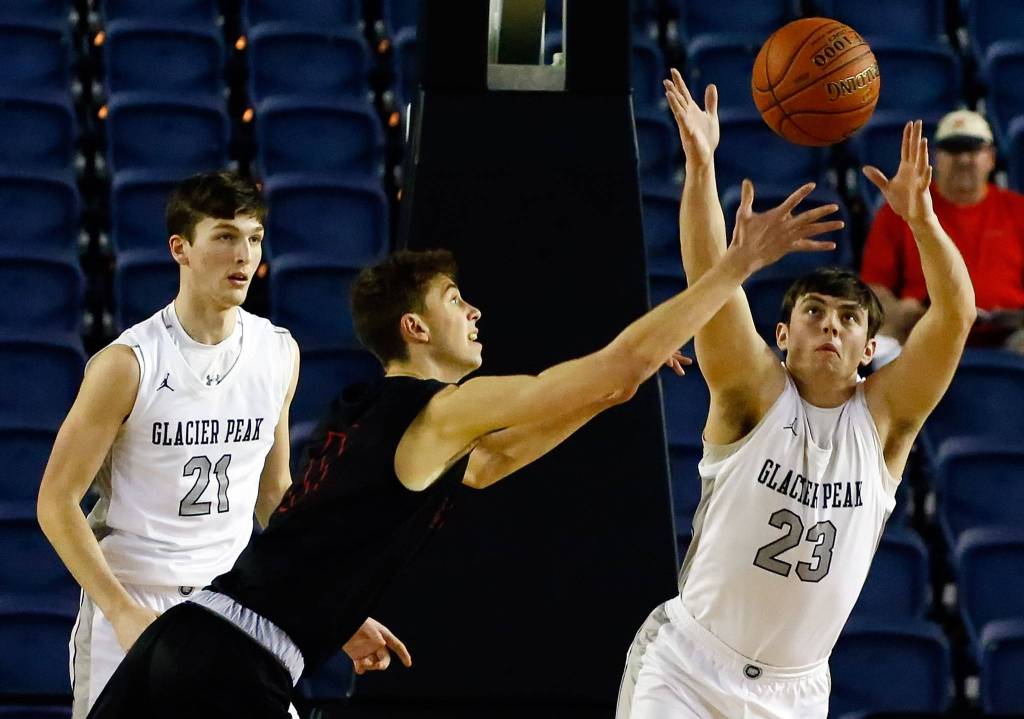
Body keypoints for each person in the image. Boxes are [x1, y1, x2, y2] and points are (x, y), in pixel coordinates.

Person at [85, 172, 843, 716]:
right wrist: (736, 266)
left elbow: (504, 455)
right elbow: (617, 364)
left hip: (196, 645)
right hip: (224, 666)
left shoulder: (377, 411)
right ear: (414, 328)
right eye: (455, 299)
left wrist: (621, 388)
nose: (474, 310)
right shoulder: (435, 410)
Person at [614, 72, 976, 719]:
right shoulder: (752, 391)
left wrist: (921, 221)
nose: (831, 324)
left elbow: (956, 315)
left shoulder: (886, 421)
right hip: (689, 667)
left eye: (848, 317)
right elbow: (710, 280)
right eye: (814, 311)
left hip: (795, 690)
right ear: (782, 334)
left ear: (871, 345)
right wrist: (701, 166)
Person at [36, 171, 403, 719]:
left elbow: (275, 494)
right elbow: (56, 503)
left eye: (254, 238)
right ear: (180, 249)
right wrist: (119, 611)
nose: (245, 255)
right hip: (137, 594)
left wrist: (333, 609)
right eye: (226, 236)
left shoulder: (277, 352)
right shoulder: (127, 364)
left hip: (233, 603)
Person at [860, 108, 1024, 358]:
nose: (963, 159)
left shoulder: (1017, 209)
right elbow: (874, 286)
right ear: (936, 157)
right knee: (880, 338)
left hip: (1008, 333)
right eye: (953, 150)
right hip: (923, 329)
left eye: (973, 149)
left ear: (990, 157)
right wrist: (897, 310)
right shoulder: (900, 210)